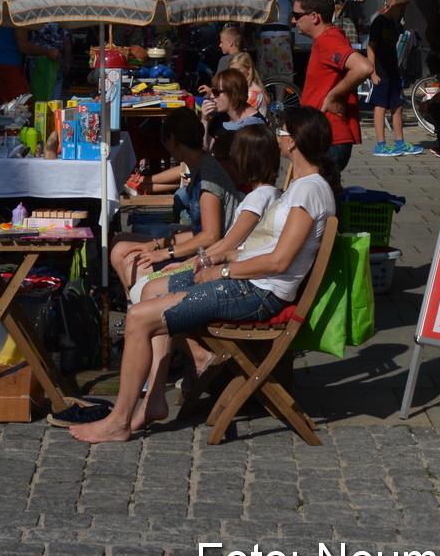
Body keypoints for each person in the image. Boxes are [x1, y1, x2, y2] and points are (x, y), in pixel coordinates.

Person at [72, 106, 339, 442]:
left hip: (257, 294)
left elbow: (279, 261)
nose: (278, 137)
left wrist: (224, 269)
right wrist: (227, 255)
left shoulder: (308, 190)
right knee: (151, 290)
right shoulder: (301, 187)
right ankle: (154, 400)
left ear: (295, 142)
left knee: (140, 316)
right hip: (250, 284)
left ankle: (119, 421)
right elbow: (270, 250)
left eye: (282, 131)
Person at [110, 108, 241, 294]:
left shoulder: (207, 175)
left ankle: (144, 312)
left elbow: (211, 236)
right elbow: (200, 232)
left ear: (172, 138)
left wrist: (164, 251)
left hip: (209, 258)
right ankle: (137, 309)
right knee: (120, 246)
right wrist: (155, 245)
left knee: (134, 264)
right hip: (201, 248)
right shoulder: (200, 167)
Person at [294, 0, 371, 172]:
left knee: (318, 197)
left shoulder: (328, 40)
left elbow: (364, 67)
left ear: (314, 17)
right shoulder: (326, 40)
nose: (293, 20)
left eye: (297, 16)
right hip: (322, 135)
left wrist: (333, 96)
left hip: (328, 137)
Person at [366, 0, 422, 157]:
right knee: (381, 106)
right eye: (400, 10)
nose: (402, 13)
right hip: (381, 72)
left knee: (397, 106)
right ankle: (380, 144)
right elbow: (371, 48)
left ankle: (400, 142)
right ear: (390, 6)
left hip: (392, 71)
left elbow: (393, 48)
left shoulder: (395, 24)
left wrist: (397, 71)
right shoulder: (379, 22)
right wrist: (372, 72)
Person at [0, 21, 60, 104]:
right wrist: (47, 52)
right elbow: (23, 46)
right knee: (22, 105)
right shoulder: (18, 18)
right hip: (9, 64)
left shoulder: (2, 14)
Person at [199, 67, 263, 151]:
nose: (211, 96)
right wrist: (204, 120)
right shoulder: (220, 117)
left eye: (216, 92)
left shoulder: (255, 126)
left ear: (233, 93)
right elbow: (204, 150)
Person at [29, 21, 70, 103]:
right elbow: (67, 41)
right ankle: (53, 110)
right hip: (55, 55)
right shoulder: (61, 18)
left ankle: (38, 109)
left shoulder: (35, 15)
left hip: (36, 55)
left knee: (37, 84)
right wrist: (67, 61)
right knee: (56, 82)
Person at [228, 51, 269, 117]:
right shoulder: (241, 87)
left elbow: (240, 117)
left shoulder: (252, 92)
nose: (233, 74)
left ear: (249, 70)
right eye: (231, 71)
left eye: (237, 70)